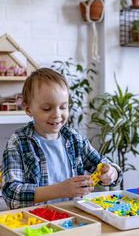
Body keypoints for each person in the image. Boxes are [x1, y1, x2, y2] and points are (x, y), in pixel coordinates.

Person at [1, 68, 122, 209]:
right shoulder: (18, 143)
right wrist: (59, 190)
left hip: (74, 217)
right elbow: (11, 194)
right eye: (47, 108)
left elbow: (105, 166)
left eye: (63, 107)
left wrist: (111, 172)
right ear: (28, 109)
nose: (57, 115)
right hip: (35, 221)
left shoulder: (75, 139)